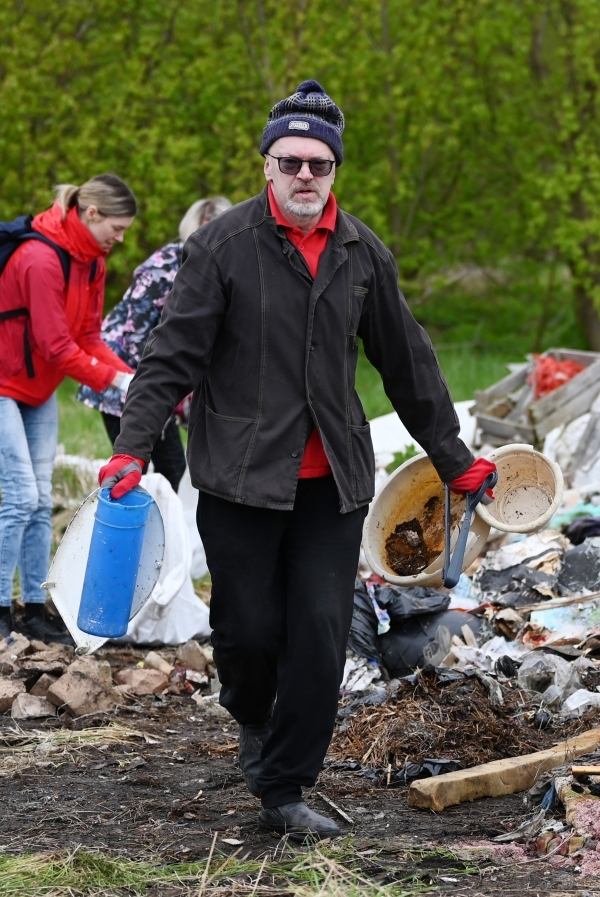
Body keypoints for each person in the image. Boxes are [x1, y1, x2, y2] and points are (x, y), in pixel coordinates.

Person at [100, 80, 496, 838]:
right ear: (267, 167)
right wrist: (129, 448)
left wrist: (454, 458)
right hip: (242, 481)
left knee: (319, 631)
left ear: (335, 171)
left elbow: (408, 363)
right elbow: (170, 358)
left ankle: (284, 787)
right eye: (291, 162)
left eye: (320, 163)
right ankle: (252, 713)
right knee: (249, 633)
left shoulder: (361, 252)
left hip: (333, 487)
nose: (306, 176)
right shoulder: (222, 247)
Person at [0, 175, 138, 644]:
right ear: (92, 214)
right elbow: (56, 347)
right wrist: (115, 381)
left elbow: (88, 339)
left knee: (41, 501)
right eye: (116, 228)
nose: (120, 239)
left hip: (36, 391)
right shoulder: (40, 258)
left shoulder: (92, 262)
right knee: (21, 497)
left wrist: (131, 378)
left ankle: (35, 612)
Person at [77, 196, 233, 489]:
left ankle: (155, 531)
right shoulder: (168, 263)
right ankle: (119, 528)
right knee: (155, 471)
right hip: (124, 375)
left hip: (154, 381)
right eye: (212, 230)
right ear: (197, 226)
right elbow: (133, 333)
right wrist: (154, 392)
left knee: (171, 472)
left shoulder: (222, 270)